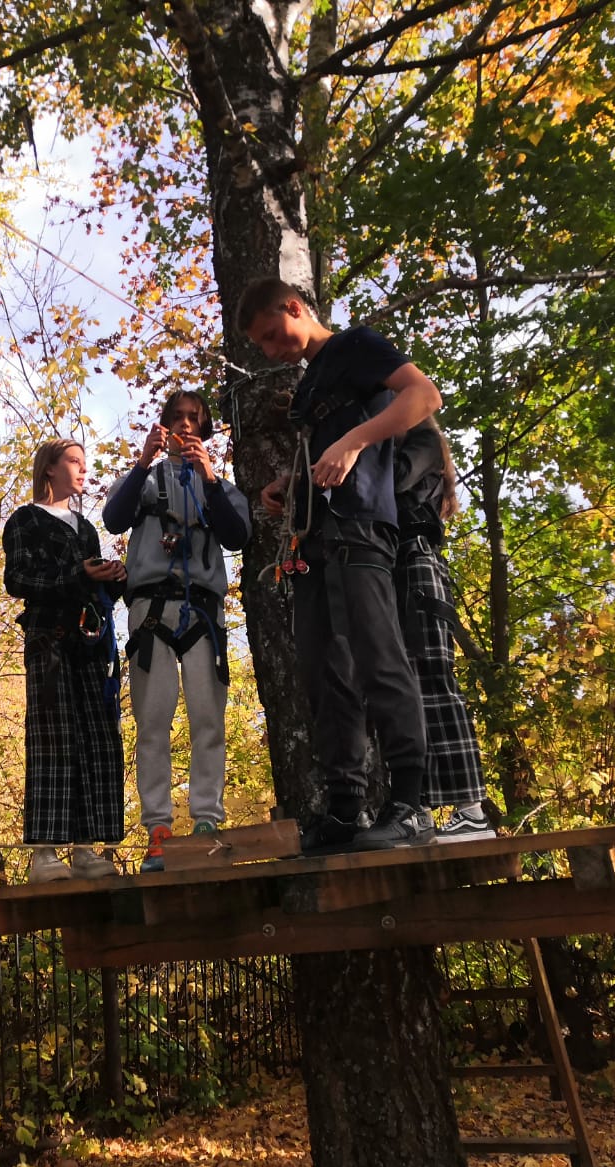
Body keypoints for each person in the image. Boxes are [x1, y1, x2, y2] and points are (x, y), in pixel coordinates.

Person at [238, 276, 440, 852]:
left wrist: (354, 441)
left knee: (380, 659)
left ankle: (411, 806)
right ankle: (346, 809)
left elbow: (424, 396)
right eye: (262, 345)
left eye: (273, 335)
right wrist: (290, 482)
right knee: (327, 676)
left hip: (362, 527)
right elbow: (326, 455)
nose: (272, 351)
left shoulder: (355, 345)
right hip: (315, 541)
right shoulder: (309, 385)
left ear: (295, 307)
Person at [102, 390, 252, 871]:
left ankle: (206, 820)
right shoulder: (144, 479)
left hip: (202, 611)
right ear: (164, 426)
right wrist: (143, 462)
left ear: (204, 431)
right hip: (151, 610)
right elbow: (113, 518)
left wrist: (209, 478)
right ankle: (158, 830)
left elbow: (237, 535)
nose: (186, 425)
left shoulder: (220, 486)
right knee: (152, 722)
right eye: (177, 418)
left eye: (194, 419)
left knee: (208, 719)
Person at [2, 439, 128, 882]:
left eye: (84, 463)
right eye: (74, 461)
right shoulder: (26, 519)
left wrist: (113, 578)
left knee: (96, 739)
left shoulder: (86, 528)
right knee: (52, 739)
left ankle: (87, 849)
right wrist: (78, 574)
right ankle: (44, 853)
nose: (82, 469)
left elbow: (92, 590)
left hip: (89, 643)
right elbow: (17, 579)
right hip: (47, 640)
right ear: (49, 469)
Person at [395, 417, 497, 841]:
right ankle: (418, 808)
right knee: (403, 691)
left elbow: (394, 481)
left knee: (435, 681)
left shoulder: (422, 443)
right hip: (397, 567)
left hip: (416, 565)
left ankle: (472, 810)